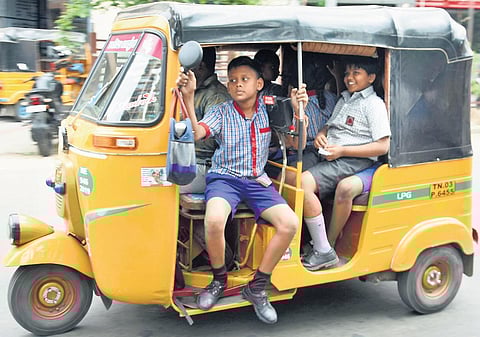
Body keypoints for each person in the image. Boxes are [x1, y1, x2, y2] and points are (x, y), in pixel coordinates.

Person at [176, 56, 302, 324]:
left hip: (257, 181)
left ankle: (257, 286)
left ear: (259, 84)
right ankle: (218, 280)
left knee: (289, 223)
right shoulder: (222, 111)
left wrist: (298, 111)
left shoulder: (269, 110)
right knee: (214, 221)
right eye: (232, 80)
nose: (237, 85)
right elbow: (197, 132)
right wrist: (188, 97)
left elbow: (295, 141)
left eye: (244, 79)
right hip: (225, 179)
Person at [299, 55, 391, 271]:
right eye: (347, 72)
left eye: (356, 73)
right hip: (328, 153)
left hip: (352, 160)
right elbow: (330, 126)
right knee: (289, 174)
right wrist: (322, 134)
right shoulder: (345, 99)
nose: (349, 77)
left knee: (304, 182)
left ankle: (324, 249)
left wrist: (342, 150)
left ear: (371, 78)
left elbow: (382, 146)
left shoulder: (373, 105)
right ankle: (305, 239)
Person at [180, 47, 230, 194]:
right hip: (185, 159)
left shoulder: (216, 96)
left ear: (200, 66)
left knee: (154, 184)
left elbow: (206, 141)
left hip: (202, 165)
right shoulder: (192, 90)